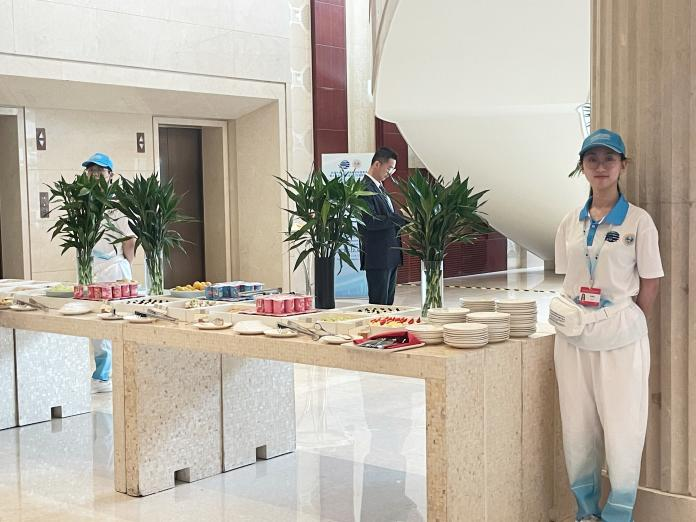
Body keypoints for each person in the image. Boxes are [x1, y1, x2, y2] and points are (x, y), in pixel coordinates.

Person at [553, 129, 663, 522]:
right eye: (592, 159)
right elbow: (568, 279)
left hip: (620, 341)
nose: (601, 166)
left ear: (622, 166)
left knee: (623, 428)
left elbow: (650, 281)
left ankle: (618, 514)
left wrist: (622, 321)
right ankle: (585, 511)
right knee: (577, 428)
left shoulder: (638, 222)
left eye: (609, 159)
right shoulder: (570, 222)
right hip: (573, 340)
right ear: (582, 167)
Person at [82, 153, 136, 393]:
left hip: (115, 269)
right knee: (97, 325)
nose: (94, 175)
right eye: (90, 170)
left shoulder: (118, 204)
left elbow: (130, 239)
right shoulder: (84, 202)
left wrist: (125, 263)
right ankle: (101, 376)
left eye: (100, 170)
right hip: (93, 269)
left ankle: (122, 375)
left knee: (119, 321)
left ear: (111, 174)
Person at [358, 147, 406, 305]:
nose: (390, 173)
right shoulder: (364, 189)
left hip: (390, 255)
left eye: (393, 169)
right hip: (378, 256)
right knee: (379, 305)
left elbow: (388, 217)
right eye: (389, 168)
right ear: (377, 164)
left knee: (388, 306)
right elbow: (370, 221)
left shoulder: (380, 187)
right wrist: (401, 217)